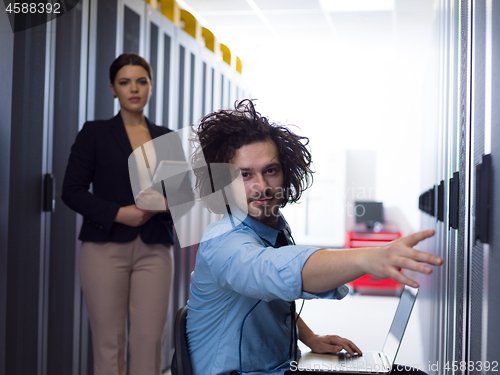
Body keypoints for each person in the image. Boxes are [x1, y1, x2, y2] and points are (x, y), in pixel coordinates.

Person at [186, 100, 442, 375]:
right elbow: (270, 271)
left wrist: (308, 337)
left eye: (270, 171)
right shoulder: (223, 243)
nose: (261, 187)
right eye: (245, 175)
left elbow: (270, 297)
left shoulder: (273, 228)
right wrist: (368, 257)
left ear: (286, 172)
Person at [62, 53, 188, 375]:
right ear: (113, 89)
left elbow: (183, 196)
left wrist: (164, 203)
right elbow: (71, 190)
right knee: (109, 343)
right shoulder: (94, 133)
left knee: (150, 341)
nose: (134, 89)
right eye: (125, 82)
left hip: (155, 249)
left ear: (151, 86)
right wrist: (119, 213)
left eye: (142, 81)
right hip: (104, 249)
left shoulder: (166, 138)